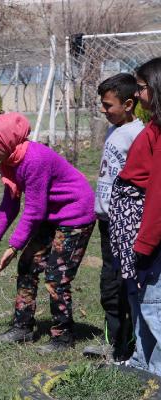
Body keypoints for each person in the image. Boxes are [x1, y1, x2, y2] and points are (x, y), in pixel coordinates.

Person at [0, 112, 95, 354]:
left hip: (74, 216)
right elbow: (10, 203)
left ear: (7, 142)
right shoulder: (9, 161)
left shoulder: (34, 159)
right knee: (27, 265)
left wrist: (14, 246)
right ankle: (23, 327)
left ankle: (63, 337)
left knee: (56, 277)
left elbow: (34, 211)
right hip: (52, 215)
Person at [83, 74, 143, 361]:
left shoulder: (138, 134)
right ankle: (113, 341)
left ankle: (128, 346)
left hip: (126, 224)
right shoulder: (113, 131)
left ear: (129, 103)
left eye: (109, 106)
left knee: (125, 284)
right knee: (109, 284)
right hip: (106, 223)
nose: (104, 110)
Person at [109, 57, 161, 375]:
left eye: (141, 87)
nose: (138, 94)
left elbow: (157, 195)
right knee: (140, 297)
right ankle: (143, 364)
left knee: (154, 303)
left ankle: (156, 376)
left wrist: (143, 244)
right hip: (136, 226)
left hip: (147, 231)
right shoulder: (154, 126)